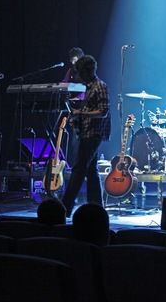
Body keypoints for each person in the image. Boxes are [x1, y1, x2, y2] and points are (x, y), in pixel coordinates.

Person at [62, 55, 111, 216]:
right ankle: (96, 206)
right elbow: (90, 108)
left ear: (87, 71)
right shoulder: (88, 87)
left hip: (94, 133)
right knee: (91, 171)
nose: (78, 76)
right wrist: (76, 117)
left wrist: (81, 113)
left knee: (78, 169)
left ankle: (65, 207)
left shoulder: (100, 86)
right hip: (87, 132)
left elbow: (103, 111)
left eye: (80, 72)